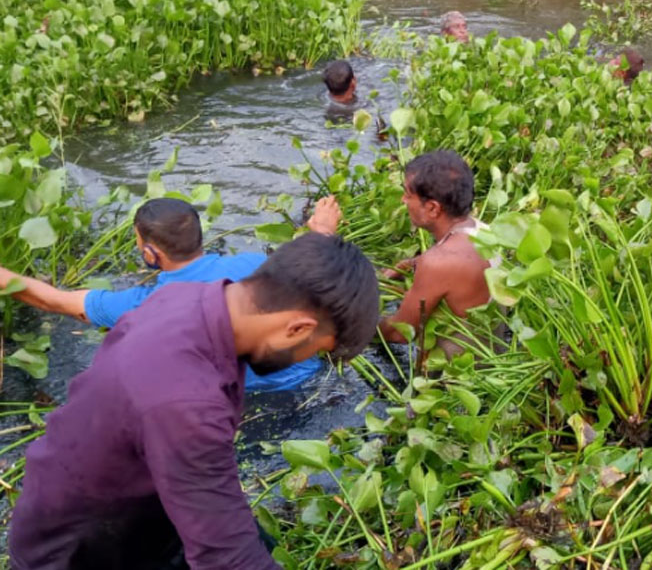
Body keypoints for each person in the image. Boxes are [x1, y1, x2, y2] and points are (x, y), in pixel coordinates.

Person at [9, 233, 380, 570]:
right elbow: (225, 559)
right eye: (316, 351)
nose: (305, 360)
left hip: (129, 498)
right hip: (80, 551)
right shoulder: (187, 404)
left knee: (258, 542)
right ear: (297, 329)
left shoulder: (185, 295)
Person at [0, 196, 342, 392]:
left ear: (150, 254)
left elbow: (52, 300)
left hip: (248, 397)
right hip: (311, 378)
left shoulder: (148, 304)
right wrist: (322, 231)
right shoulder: (256, 263)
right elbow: (311, 269)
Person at [378, 150, 492, 359]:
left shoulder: (438, 263)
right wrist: (412, 264)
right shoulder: (485, 231)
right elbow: (461, 265)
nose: (403, 200)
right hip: (489, 360)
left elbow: (400, 332)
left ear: (432, 208)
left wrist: (356, 327)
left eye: (408, 194)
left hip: (452, 381)